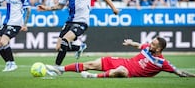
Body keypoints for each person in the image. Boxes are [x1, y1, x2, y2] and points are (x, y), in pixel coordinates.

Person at [37, 0, 119, 66]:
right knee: (58, 47)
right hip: (70, 21)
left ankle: (56, 68)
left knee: (65, 40)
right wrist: (46, 8)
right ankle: (79, 47)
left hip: (82, 21)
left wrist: (113, 8)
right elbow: (60, 6)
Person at [45, 37, 195, 78]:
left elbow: (179, 72)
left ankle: (93, 77)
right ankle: (61, 69)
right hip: (121, 61)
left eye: (153, 43)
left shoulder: (162, 62)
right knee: (90, 63)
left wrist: (192, 75)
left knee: (121, 71)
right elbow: (139, 45)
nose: (149, 44)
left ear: (159, 49)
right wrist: (131, 43)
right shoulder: (147, 48)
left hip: (127, 71)